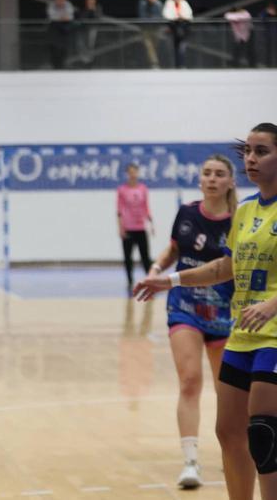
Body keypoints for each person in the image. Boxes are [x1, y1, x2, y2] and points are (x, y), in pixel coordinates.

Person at [135, 123, 277, 500]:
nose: (251, 158)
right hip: (242, 334)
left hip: (275, 335)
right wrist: (169, 280)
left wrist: (272, 304)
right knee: (229, 432)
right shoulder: (246, 211)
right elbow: (223, 267)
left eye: (261, 151)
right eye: (247, 151)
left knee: (264, 430)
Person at [146, 155, 237, 489]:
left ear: (230, 181)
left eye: (219, 174)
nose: (211, 179)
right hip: (185, 306)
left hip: (226, 313)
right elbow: (173, 250)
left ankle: (235, 454)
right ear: (200, 179)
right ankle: (190, 462)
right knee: (189, 380)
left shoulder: (240, 221)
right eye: (206, 173)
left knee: (228, 390)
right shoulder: (186, 213)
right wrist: (156, 271)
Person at [117, 162, 154, 292]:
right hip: (128, 228)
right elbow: (119, 210)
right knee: (128, 257)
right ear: (127, 173)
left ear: (137, 173)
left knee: (145, 256)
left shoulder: (143, 189)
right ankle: (130, 281)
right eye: (130, 172)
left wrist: (151, 224)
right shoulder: (122, 190)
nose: (133, 174)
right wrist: (120, 227)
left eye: (135, 171)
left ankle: (150, 279)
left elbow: (146, 206)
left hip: (140, 227)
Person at [164, 0, 194, 68]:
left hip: (183, 28)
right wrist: (176, 17)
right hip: (172, 28)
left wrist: (182, 17)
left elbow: (189, 15)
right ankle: (174, 65)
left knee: (182, 48)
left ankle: (181, 64)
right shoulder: (169, 3)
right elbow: (166, 15)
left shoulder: (184, 3)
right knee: (172, 48)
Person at [46, 0, 75, 69]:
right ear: (55, 0)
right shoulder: (52, 5)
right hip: (54, 27)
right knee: (54, 47)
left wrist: (60, 18)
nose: (61, 1)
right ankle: (55, 65)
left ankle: (64, 64)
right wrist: (61, 18)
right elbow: (52, 16)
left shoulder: (68, 5)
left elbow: (70, 16)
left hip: (65, 27)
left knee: (65, 47)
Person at [137, 0, 164, 69]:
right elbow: (142, 16)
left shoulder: (158, 4)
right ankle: (154, 63)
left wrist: (153, 19)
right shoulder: (142, 3)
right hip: (146, 29)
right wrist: (152, 19)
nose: (153, 0)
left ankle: (151, 62)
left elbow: (160, 16)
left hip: (156, 28)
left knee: (155, 46)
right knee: (149, 46)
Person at [75, 0, 102, 66]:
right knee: (82, 45)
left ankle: (92, 61)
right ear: (86, 1)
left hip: (93, 30)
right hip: (83, 30)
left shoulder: (98, 8)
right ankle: (84, 60)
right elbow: (82, 18)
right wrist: (88, 10)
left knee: (91, 45)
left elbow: (98, 18)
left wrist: (93, 10)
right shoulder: (83, 8)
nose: (91, 1)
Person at [260, 2, 277, 68]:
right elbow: (262, 18)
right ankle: (268, 64)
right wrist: (267, 13)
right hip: (268, 34)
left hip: (275, 33)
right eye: (270, 7)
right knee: (268, 49)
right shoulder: (265, 12)